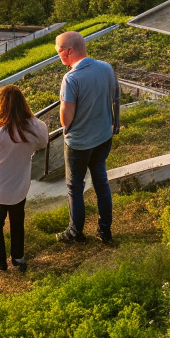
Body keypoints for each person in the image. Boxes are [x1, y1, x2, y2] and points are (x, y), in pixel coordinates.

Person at [54, 31, 120, 245]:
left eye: (59, 52)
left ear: (69, 51)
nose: (59, 56)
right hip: (103, 137)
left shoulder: (71, 79)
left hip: (79, 144)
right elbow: (112, 97)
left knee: (75, 187)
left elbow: (66, 120)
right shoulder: (106, 68)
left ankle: (75, 232)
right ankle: (105, 229)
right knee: (101, 182)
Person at [0, 84, 49, 271]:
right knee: (17, 222)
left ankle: (0, 262)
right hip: (20, 186)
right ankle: (18, 258)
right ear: (23, 104)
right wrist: (28, 117)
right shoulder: (32, 130)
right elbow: (43, 141)